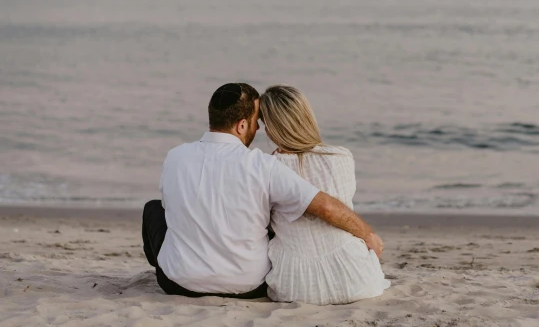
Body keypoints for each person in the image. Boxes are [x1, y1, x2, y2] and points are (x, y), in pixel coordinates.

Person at [141, 83, 383, 298]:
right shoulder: (262, 165)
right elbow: (326, 206)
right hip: (247, 286)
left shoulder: (175, 157)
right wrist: (367, 234)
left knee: (154, 209)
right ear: (242, 124)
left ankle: (186, 263)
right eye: (257, 122)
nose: (258, 129)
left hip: (178, 283)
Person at [260, 85, 390, 305]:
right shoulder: (341, 156)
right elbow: (341, 207)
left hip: (295, 287)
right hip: (358, 279)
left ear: (272, 128)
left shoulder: (267, 167)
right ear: (306, 117)